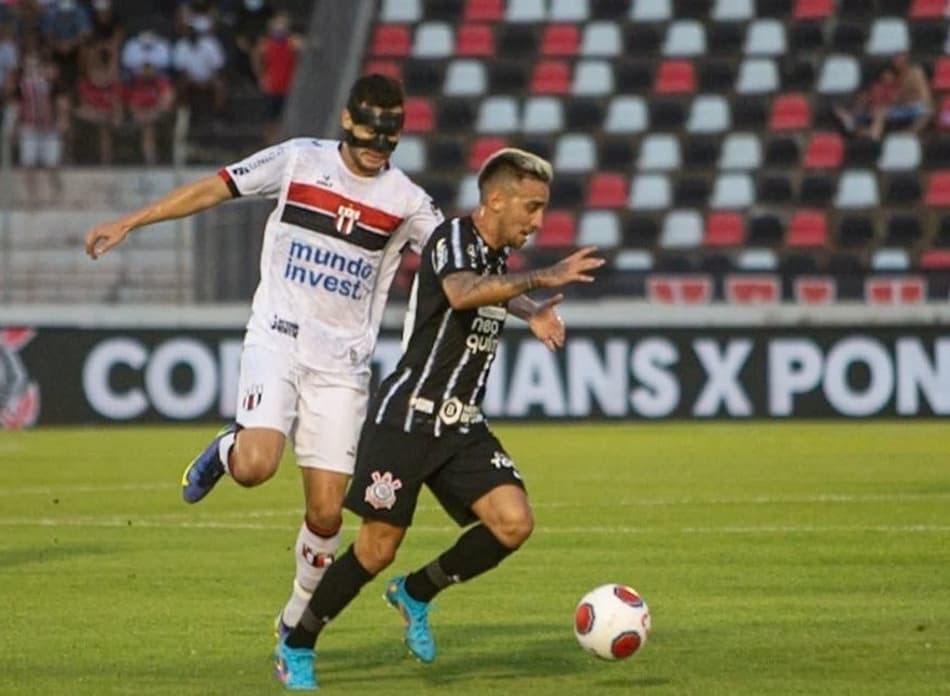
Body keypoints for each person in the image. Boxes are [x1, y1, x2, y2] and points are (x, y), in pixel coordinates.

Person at [83, 73, 445, 649]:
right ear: (349, 122)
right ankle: (229, 448)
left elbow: (458, 267)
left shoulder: (406, 201)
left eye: (391, 137)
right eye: (372, 132)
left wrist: (531, 298)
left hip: (342, 366)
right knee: (255, 466)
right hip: (277, 336)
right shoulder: (300, 159)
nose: (380, 146)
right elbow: (215, 187)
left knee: (327, 517)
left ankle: (295, 620)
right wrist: (130, 221)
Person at [273, 147, 605, 690]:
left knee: (513, 522)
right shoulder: (450, 238)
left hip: (460, 424)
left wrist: (532, 313)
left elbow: (487, 291)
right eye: (531, 206)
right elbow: (460, 290)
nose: (538, 220)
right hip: (407, 418)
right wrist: (543, 280)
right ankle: (297, 642)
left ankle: (416, 592)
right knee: (376, 548)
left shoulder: (494, 258)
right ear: (494, 200)